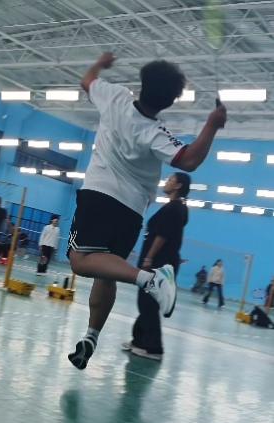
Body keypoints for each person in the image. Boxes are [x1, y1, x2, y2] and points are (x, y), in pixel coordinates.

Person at [66, 52, 227, 371]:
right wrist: (212, 125)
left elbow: (87, 81)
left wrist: (100, 63)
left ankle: (150, 279)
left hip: (99, 196)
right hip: (132, 212)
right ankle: (91, 336)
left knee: (80, 261)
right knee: (106, 271)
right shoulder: (157, 133)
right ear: (170, 101)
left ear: (142, 84)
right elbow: (190, 159)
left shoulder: (114, 97)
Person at [123, 173, 190, 361]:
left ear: (178, 185)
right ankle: (139, 342)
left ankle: (154, 349)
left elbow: (162, 236)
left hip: (157, 263)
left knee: (148, 303)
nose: (166, 182)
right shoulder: (176, 208)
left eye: (170, 180)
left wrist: (149, 259)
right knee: (146, 302)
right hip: (160, 262)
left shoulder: (174, 208)